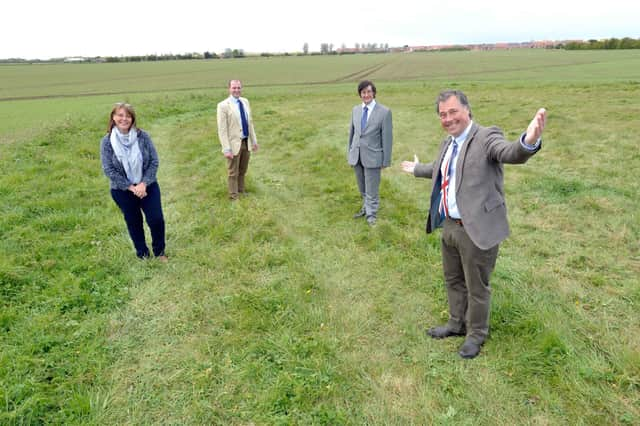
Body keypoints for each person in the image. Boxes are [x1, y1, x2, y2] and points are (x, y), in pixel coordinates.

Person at [401, 89, 546, 359]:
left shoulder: (486, 136)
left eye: (453, 111)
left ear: (467, 110)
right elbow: (440, 168)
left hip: (476, 229)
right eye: (443, 114)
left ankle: (476, 334)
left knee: (476, 286)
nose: (447, 118)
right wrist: (416, 170)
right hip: (450, 226)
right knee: (453, 279)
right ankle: (456, 323)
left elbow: (510, 152)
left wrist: (528, 141)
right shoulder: (449, 142)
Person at [100, 102, 168, 262]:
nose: (124, 119)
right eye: (120, 115)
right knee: (134, 221)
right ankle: (142, 254)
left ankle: (160, 252)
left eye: (128, 116)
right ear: (113, 118)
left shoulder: (142, 136)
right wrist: (131, 187)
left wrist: (143, 184)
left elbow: (154, 161)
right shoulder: (107, 141)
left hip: (148, 187)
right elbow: (109, 170)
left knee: (156, 219)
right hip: (122, 191)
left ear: (132, 118)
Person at [347, 80, 393, 226]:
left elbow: (387, 138)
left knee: (372, 188)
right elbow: (352, 133)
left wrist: (385, 161)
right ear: (360, 94)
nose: (366, 95)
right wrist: (350, 153)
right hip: (357, 156)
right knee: (362, 187)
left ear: (374, 93)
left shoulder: (384, 112)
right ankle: (365, 208)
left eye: (368, 92)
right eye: (363, 92)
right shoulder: (355, 110)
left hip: (373, 156)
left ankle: (371, 215)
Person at [217, 79, 259, 200]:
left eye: (238, 88)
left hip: (246, 141)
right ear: (229, 89)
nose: (237, 90)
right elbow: (222, 130)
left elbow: (250, 123)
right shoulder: (223, 106)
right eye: (234, 88)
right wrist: (226, 149)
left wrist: (254, 141)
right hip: (233, 144)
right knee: (233, 172)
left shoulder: (245, 102)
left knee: (243, 169)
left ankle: (241, 191)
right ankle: (233, 196)